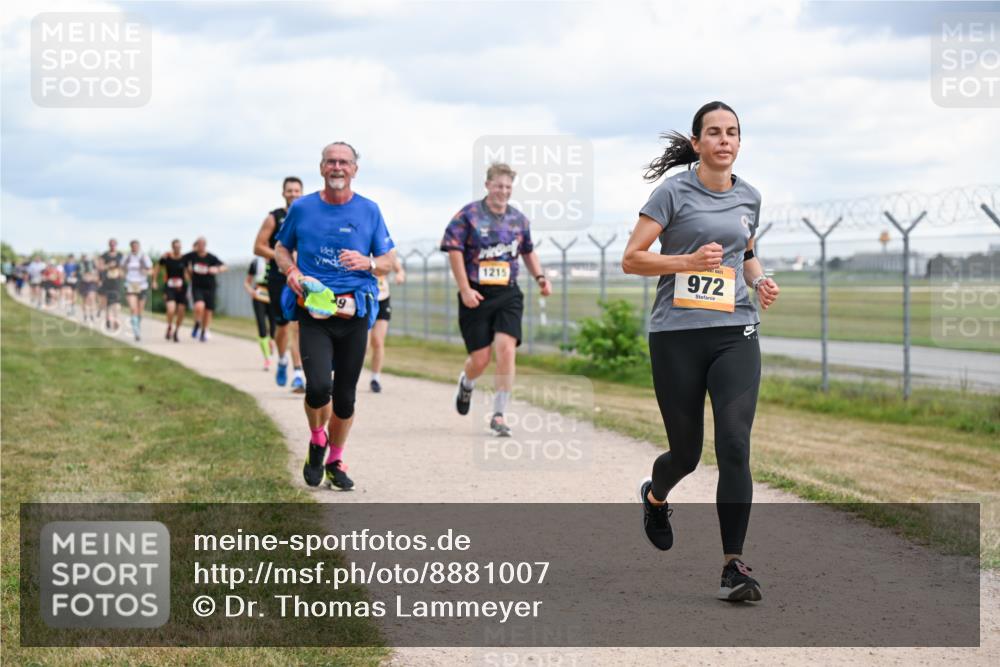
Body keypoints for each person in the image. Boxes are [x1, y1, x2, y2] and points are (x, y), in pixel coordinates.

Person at [621, 101, 780, 603]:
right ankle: (655, 494)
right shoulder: (672, 192)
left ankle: (733, 565)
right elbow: (632, 259)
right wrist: (685, 260)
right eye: (714, 132)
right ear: (697, 143)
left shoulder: (749, 196)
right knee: (686, 454)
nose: (724, 140)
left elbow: (745, 252)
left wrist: (760, 281)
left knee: (734, 443)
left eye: (732, 132)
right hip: (677, 336)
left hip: (735, 331)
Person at [274, 141, 395, 490]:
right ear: (322, 167)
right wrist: (292, 272)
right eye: (331, 162)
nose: (337, 167)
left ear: (355, 169)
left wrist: (369, 263)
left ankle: (335, 459)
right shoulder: (302, 208)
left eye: (344, 162)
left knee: (344, 398)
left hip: (354, 312)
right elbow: (282, 248)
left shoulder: (369, 211)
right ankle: (317, 440)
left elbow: (389, 260)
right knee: (317, 389)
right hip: (314, 310)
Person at [441, 162, 552, 436]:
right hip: (476, 293)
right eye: (499, 185)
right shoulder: (468, 216)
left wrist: (540, 277)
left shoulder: (518, 220)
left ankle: (499, 414)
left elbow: (527, 251)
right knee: (480, 359)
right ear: (488, 185)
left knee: (506, 348)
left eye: (508, 187)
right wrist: (465, 288)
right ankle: (467, 383)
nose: (503, 191)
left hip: (508, 292)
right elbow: (454, 251)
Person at [253, 176, 306, 392]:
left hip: (302, 279)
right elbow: (258, 247)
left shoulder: (309, 215)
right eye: (289, 191)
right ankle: (282, 359)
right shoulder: (274, 217)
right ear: (283, 193)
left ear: (302, 193)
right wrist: (282, 256)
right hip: (279, 278)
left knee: (299, 325)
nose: (293, 194)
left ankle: (299, 374)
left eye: (297, 191)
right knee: (282, 327)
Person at [367, 250, 405, 392]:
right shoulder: (361, 244)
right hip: (365, 299)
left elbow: (398, 268)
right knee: (362, 345)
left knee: (378, 340)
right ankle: (350, 376)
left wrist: (400, 274)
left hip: (383, 299)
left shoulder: (384, 249)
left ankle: (375, 378)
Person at [183, 237, 227, 342]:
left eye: (203, 244)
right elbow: (178, 258)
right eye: (199, 244)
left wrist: (217, 269)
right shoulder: (191, 256)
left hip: (210, 287)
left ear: (205, 245)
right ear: (196, 245)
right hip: (197, 286)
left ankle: (203, 331)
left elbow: (225, 266)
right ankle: (197, 323)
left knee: (208, 311)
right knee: (199, 306)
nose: (201, 246)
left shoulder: (211, 257)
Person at [245, 254, 276, 371]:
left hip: (273, 295)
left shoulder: (277, 259)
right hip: (259, 296)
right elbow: (247, 282)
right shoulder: (256, 262)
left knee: (274, 325)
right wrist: (251, 291)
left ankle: (272, 341)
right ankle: (267, 358)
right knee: (261, 326)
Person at [156, 239, 188, 342]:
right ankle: (169, 326)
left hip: (181, 288)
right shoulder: (167, 258)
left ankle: (176, 331)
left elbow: (188, 273)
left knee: (181, 312)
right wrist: (154, 281)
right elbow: (157, 267)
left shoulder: (184, 259)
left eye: (179, 247)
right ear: (172, 247)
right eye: (175, 247)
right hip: (169, 287)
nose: (177, 248)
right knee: (171, 309)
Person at [123, 240, 154, 342]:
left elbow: (151, 270)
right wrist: (122, 274)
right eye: (133, 246)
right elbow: (121, 268)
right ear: (131, 247)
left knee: (140, 310)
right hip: (130, 285)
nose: (135, 248)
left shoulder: (144, 257)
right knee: (133, 308)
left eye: (136, 246)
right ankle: (136, 332)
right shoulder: (127, 257)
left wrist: (145, 271)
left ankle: (137, 324)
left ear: (139, 247)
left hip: (142, 286)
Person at [98, 239, 125, 332]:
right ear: (109, 245)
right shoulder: (104, 255)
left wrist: (122, 273)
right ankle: (108, 320)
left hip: (116, 282)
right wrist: (108, 265)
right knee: (108, 303)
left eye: (114, 244)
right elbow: (100, 267)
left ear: (116, 245)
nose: (112, 246)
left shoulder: (120, 255)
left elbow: (123, 268)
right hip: (107, 282)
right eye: (111, 244)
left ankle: (115, 319)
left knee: (116, 303)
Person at [78, 254, 100, 323]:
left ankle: (92, 315)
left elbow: (97, 278)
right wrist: (85, 278)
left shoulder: (95, 268)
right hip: (83, 285)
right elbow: (80, 276)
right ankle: (85, 316)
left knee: (92, 299)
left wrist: (92, 278)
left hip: (92, 285)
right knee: (85, 300)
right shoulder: (80, 266)